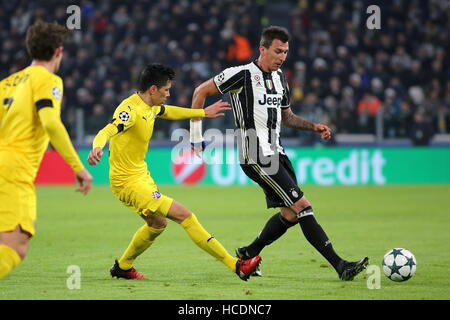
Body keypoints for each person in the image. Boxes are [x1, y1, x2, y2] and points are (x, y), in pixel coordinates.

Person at [190, 26, 369, 280]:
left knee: (290, 213)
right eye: (277, 51)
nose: (282, 57)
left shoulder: (280, 77)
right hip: (255, 153)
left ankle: (248, 252)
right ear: (262, 49)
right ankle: (341, 266)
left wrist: (313, 127)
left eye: (285, 52)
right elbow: (200, 92)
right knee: (303, 206)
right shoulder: (240, 75)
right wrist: (195, 136)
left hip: (278, 153)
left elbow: (287, 116)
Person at [87, 63, 261, 281]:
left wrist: (202, 113)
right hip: (128, 183)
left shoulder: (150, 106)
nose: (169, 94)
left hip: (141, 176)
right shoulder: (129, 111)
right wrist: (97, 147)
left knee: (158, 224)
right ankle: (236, 265)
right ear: (152, 89)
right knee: (185, 216)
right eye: (166, 90)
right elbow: (107, 130)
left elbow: (168, 111)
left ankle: (123, 266)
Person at [0, 21, 93, 279]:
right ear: (58, 52)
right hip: (14, 170)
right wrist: (78, 167)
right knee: (14, 247)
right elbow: (51, 122)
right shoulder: (48, 80)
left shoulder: (7, 83)